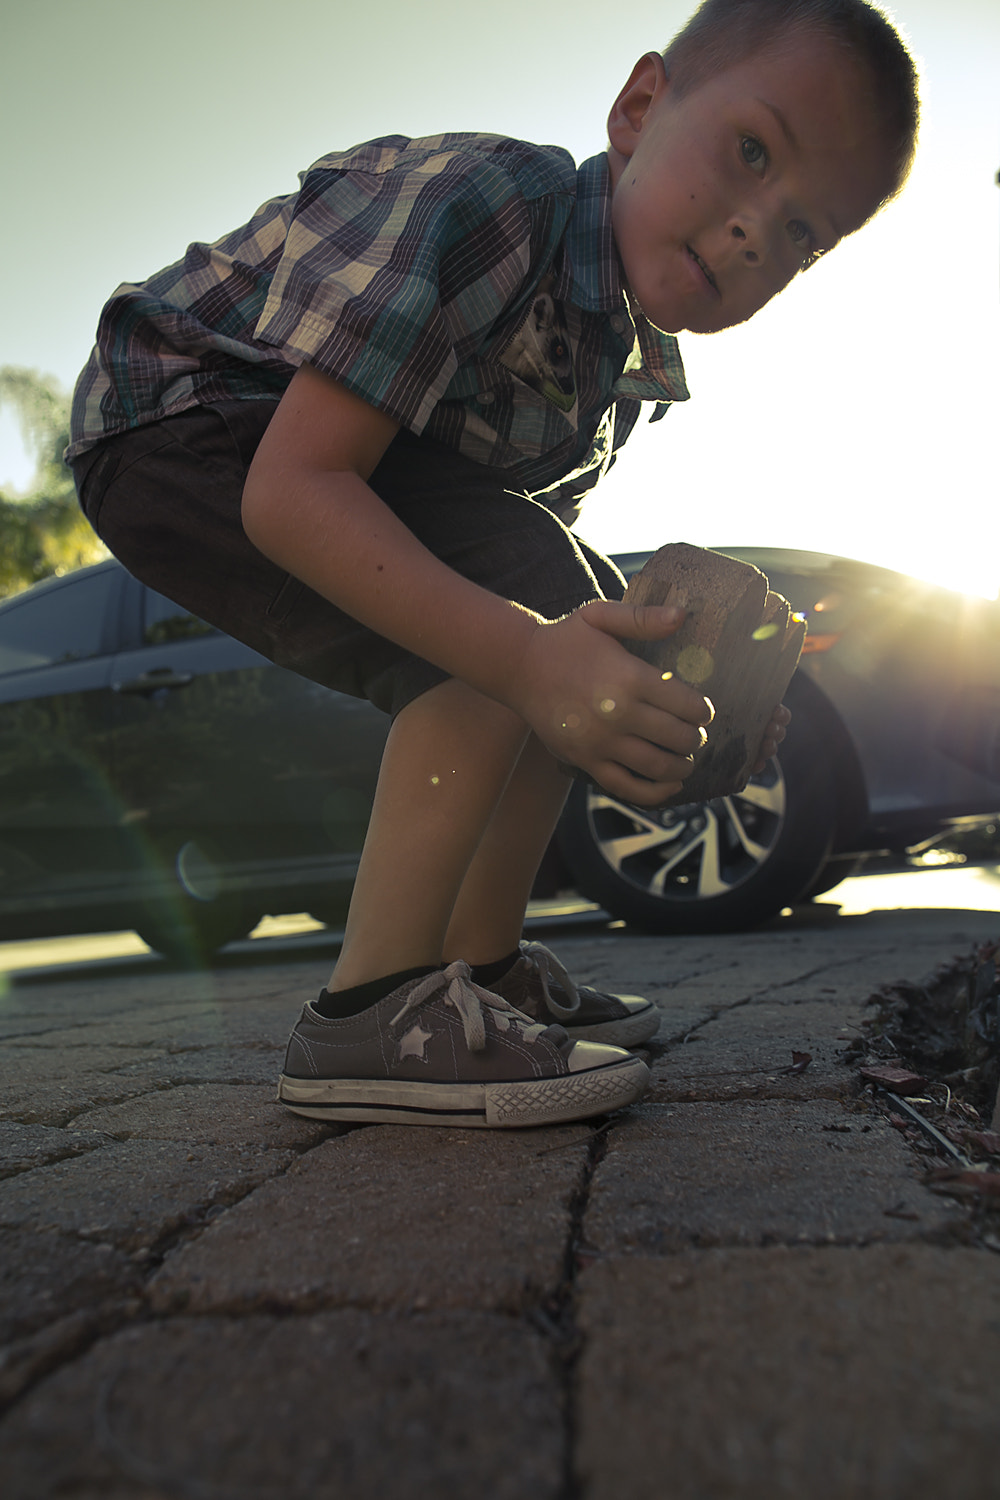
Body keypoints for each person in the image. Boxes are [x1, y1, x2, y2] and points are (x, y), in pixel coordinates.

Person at [67, 0, 918, 1129]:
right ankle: (367, 1010)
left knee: (557, 620)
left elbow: (527, 560)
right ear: (638, 107)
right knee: (495, 642)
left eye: (805, 234)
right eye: (751, 151)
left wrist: (659, 706)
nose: (761, 231)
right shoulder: (486, 202)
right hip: (185, 418)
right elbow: (294, 490)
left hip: (304, 458)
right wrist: (521, 651)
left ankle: (482, 963)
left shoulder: (621, 367)